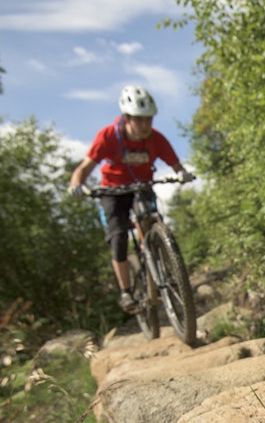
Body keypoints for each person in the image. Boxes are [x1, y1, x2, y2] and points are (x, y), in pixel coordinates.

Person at [68, 85, 192, 313]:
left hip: (142, 187)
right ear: (127, 118)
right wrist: (76, 184)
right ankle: (126, 292)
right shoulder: (108, 136)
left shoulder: (156, 139)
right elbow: (84, 168)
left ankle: (162, 262)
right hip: (113, 191)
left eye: (149, 120)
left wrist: (182, 174)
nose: (145, 125)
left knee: (153, 219)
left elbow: (176, 166)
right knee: (118, 237)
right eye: (139, 120)